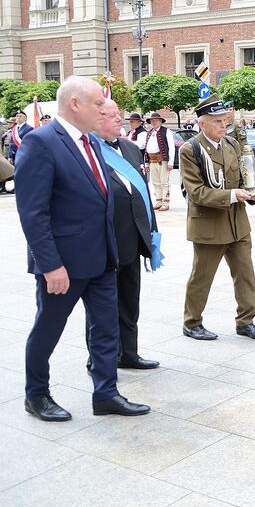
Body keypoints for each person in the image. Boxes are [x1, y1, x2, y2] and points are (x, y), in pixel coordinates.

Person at [15, 76, 150, 421]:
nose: (104, 109)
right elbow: (33, 212)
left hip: (103, 258)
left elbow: (101, 200)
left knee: (105, 329)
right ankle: (37, 395)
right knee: (48, 329)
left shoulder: (90, 142)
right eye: (97, 103)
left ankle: (106, 393)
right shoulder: (42, 142)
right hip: (63, 264)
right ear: (74, 104)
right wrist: (50, 265)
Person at [179, 95, 255, 341]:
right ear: (202, 123)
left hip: (237, 224)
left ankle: (246, 321)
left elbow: (240, 179)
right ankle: (192, 322)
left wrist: (250, 194)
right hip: (209, 225)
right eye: (217, 121)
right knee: (202, 276)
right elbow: (196, 192)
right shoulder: (191, 149)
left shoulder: (231, 144)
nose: (222, 125)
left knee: (245, 274)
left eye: (224, 120)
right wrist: (232, 194)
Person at [91, 100, 160, 369]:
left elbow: (142, 192)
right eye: (111, 116)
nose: (119, 120)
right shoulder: (88, 150)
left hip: (133, 239)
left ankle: (129, 353)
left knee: (130, 300)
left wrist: (152, 232)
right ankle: (98, 357)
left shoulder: (130, 147)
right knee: (102, 305)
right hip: (104, 241)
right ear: (95, 120)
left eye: (119, 115)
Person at [144, 111, 175, 211]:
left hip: (162, 160)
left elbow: (171, 147)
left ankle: (165, 203)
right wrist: (146, 163)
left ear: (160, 121)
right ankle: (159, 201)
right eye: (152, 120)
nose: (154, 122)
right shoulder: (149, 133)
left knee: (164, 182)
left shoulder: (166, 131)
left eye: (156, 120)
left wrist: (170, 162)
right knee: (156, 182)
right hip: (152, 160)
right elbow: (146, 148)